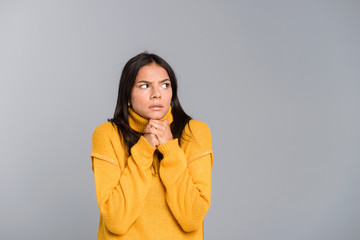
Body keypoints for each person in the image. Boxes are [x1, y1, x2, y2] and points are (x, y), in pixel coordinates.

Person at [90, 52, 213, 240]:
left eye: (165, 85)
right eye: (145, 86)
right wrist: (144, 149)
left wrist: (170, 150)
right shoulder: (107, 135)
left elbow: (192, 218)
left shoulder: (194, 133)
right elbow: (116, 220)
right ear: (128, 94)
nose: (157, 94)